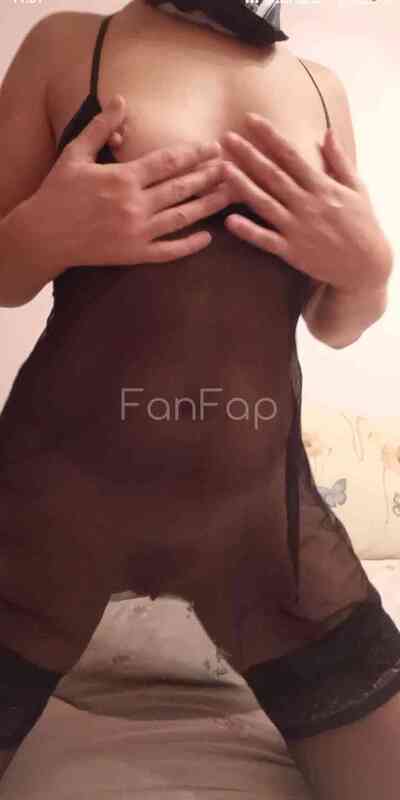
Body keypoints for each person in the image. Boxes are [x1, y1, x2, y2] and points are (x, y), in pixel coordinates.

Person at [0, 2, 398, 796]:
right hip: (47, 519)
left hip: (262, 532)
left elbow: (334, 325)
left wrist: (370, 271)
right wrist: (43, 233)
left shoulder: (322, 90)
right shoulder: (68, 43)